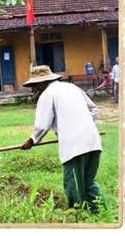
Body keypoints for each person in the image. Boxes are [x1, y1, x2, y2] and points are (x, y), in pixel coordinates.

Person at [20, 65, 102, 210]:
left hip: (74, 146)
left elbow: (41, 125)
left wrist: (31, 140)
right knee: (89, 182)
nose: (35, 88)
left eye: (35, 85)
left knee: (73, 185)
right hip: (93, 141)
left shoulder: (47, 95)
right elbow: (94, 109)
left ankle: (78, 217)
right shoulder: (72, 88)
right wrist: (83, 125)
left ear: (41, 82)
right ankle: (101, 214)